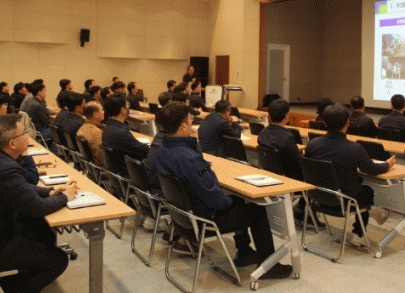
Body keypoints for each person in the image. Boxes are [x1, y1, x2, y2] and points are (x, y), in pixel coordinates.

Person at [150, 102, 292, 279]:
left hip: (183, 220)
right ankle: (269, 266)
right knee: (257, 210)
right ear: (184, 126)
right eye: (190, 120)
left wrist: (194, 143)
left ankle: (245, 253)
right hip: (205, 220)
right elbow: (215, 198)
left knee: (238, 201)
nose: (193, 123)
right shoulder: (188, 157)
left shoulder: (162, 150)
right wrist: (229, 200)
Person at [0, 114, 76, 293]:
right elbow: (37, 207)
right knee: (58, 260)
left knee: (41, 230)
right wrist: (66, 197)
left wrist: (49, 192)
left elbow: (20, 187)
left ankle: (14, 281)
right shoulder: (4, 168)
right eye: (24, 133)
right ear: (12, 143)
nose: (28, 136)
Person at [305, 104, 395, 246]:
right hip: (344, 201)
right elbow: (371, 169)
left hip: (317, 197)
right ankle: (358, 234)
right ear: (348, 123)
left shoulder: (312, 144)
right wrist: (387, 165)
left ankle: (371, 212)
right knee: (367, 191)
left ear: (325, 123)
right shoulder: (354, 148)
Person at [101, 95, 150, 174]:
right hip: (131, 174)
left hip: (119, 171)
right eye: (127, 106)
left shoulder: (108, 127)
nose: (129, 109)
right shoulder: (120, 133)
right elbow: (145, 151)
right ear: (123, 110)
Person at [257, 99, 302, 181]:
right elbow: (297, 162)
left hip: (271, 173)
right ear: (286, 116)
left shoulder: (262, 133)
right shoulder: (287, 137)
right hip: (289, 176)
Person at [76, 101, 106, 167]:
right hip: (100, 168)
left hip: (90, 167)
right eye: (102, 110)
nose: (103, 112)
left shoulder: (82, 128)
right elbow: (103, 159)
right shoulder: (96, 133)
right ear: (95, 114)